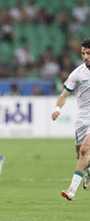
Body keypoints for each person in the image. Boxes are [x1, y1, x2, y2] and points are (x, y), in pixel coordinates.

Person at [51, 38, 90, 201]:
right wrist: (57, 109)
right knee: (79, 153)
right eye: (83, 53)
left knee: (84, 150)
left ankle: (71, 190)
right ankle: (88, 171)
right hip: (82, 119)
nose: (85, 57)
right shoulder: (78, 73)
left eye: (88, 53)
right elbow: (64, 94)